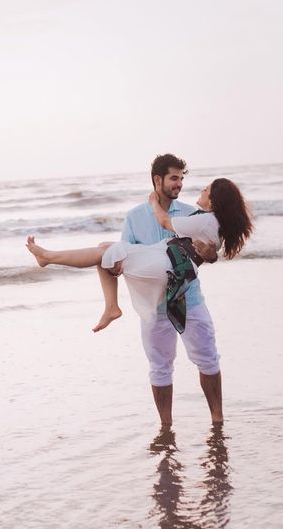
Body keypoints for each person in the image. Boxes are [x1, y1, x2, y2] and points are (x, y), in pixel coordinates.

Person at [26, 154, 253, 425]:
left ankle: (218, 419)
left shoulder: (191, 213)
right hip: (155, 304)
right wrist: (115, 267)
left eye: (182, 178)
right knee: (160, 367)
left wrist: (211, 255)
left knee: (207, 359)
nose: (180, 184)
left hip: (188, 298)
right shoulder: (135, 216)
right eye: (174, 178)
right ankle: (166, 426)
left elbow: (206, 248)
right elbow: (123, 257)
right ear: (158, 179)